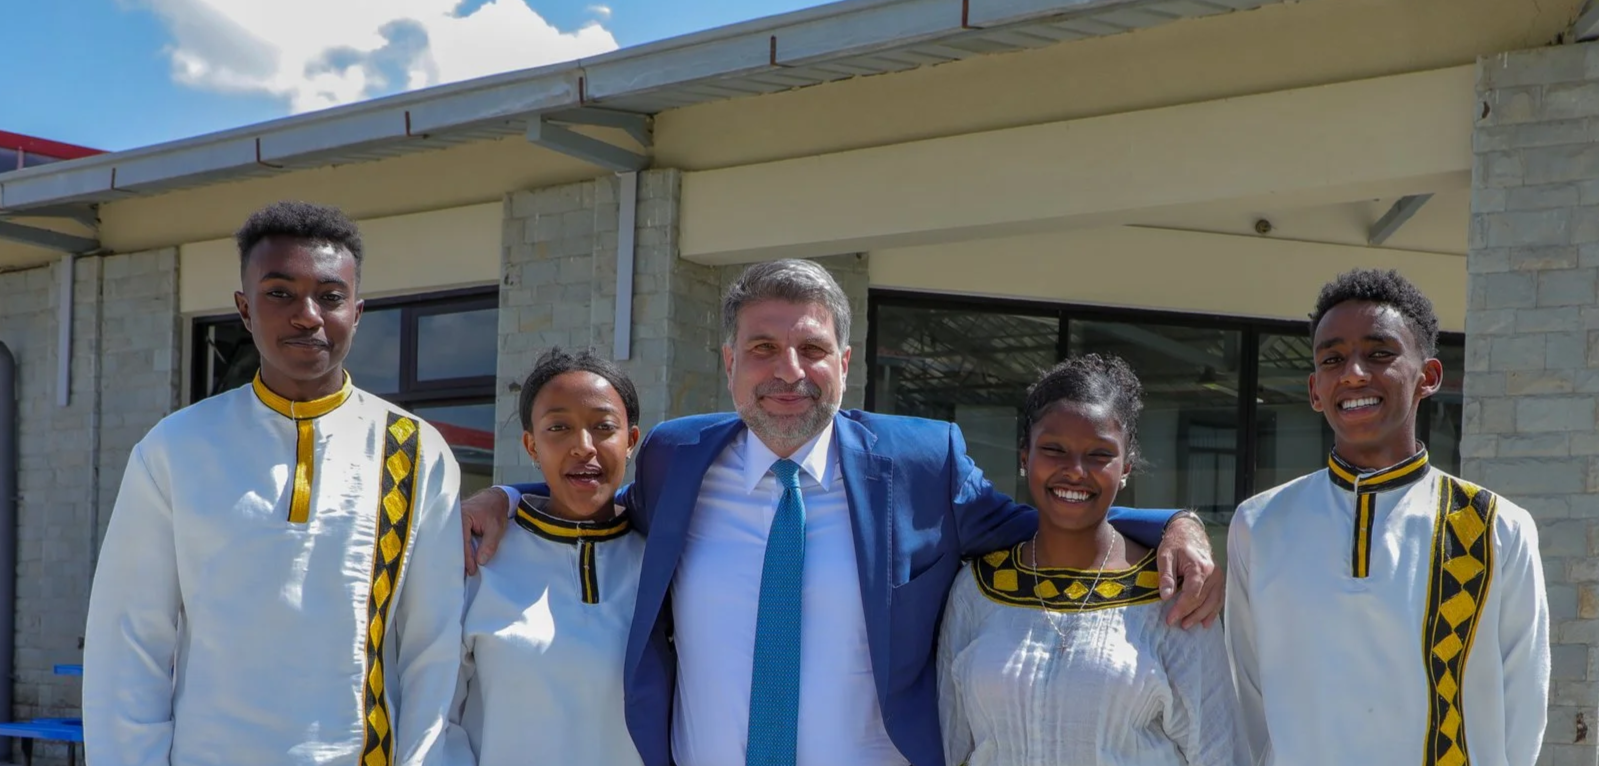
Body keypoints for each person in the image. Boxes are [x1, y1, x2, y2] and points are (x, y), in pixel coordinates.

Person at [461, 259, 1224, 766]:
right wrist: (508, 496)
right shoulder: (672, 457)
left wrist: (1174, 523)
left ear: (846, 363)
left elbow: (1052, 512)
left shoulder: (922, 461)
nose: (788, 372)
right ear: (728, 362)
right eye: (762, 348)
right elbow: (598, 502)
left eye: (812, 349)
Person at [83, 201, 469, 765]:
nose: (308, 315)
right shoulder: (177, 449)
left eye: (331, 297)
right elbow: (129, 641)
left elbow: (433, 650)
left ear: (357, 312)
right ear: (244, 308)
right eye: (280, 293)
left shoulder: (414, 451)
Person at [1225, 269, 1549, 765]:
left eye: (1380, 354)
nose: (1353, 373)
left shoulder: (1494, 528)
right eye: (1333, 359)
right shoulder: (1261, 524)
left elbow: (1523, 706)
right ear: (1315, 390)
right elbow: (1245, 698)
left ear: (1429, 377)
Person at [939, 354, 1246, 766]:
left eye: (1100, 455)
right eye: (1053, 449)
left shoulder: (1171, 594)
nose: (1075, 471)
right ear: (1024, 456)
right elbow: (949, 743)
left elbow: (1219, 753)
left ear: (1125, 469)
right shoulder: (977, 589)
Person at [451, 347, 645, 765]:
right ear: (531, 444)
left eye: (603, 427)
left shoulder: (662, 563)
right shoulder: (478, 557)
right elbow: (436, 716)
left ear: (631, 441)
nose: (583, 446)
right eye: (558, 427)